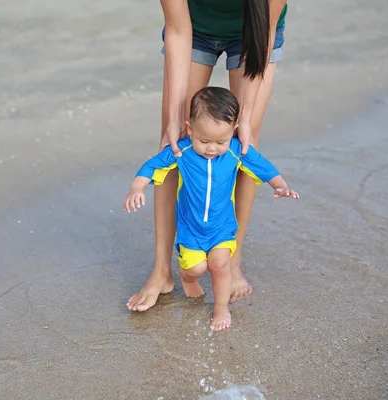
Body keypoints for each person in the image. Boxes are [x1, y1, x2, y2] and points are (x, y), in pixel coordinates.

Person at [127, 0, 289, 311]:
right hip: (193, 30)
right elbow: (176, 29)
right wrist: (175, 117)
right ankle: (162, 271)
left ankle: (231, 261)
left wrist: (247, 116)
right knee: (174, 142)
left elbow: (263, 31)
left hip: (254, 34)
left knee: (243, 143)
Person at [123, 87, 299, 330]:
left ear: (234, 131)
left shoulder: (237, 151)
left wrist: (281, 186)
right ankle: (186, 277)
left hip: (222, 228)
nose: (212, 148)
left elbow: (264, 167)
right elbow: (151, 166)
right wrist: (137, 188)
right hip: (191, 229)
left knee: (219, 264)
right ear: (189, 128)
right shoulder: (181, 151)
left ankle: (221, 308)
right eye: (203, 141)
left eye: (221, 141)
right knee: (196, 268)